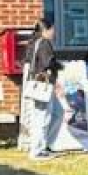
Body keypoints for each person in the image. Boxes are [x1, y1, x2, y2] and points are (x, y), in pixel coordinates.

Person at [26, 19, 62, 160]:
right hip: (44, 85)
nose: (54, 32)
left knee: (57, 113)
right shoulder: (45, 43)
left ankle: (45, 145)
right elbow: (49, 63)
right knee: (43, 118)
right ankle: (37, 151)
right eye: (53, 29)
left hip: (38, 84)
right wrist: (60, 66)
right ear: (45, 30)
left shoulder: (34, 43)